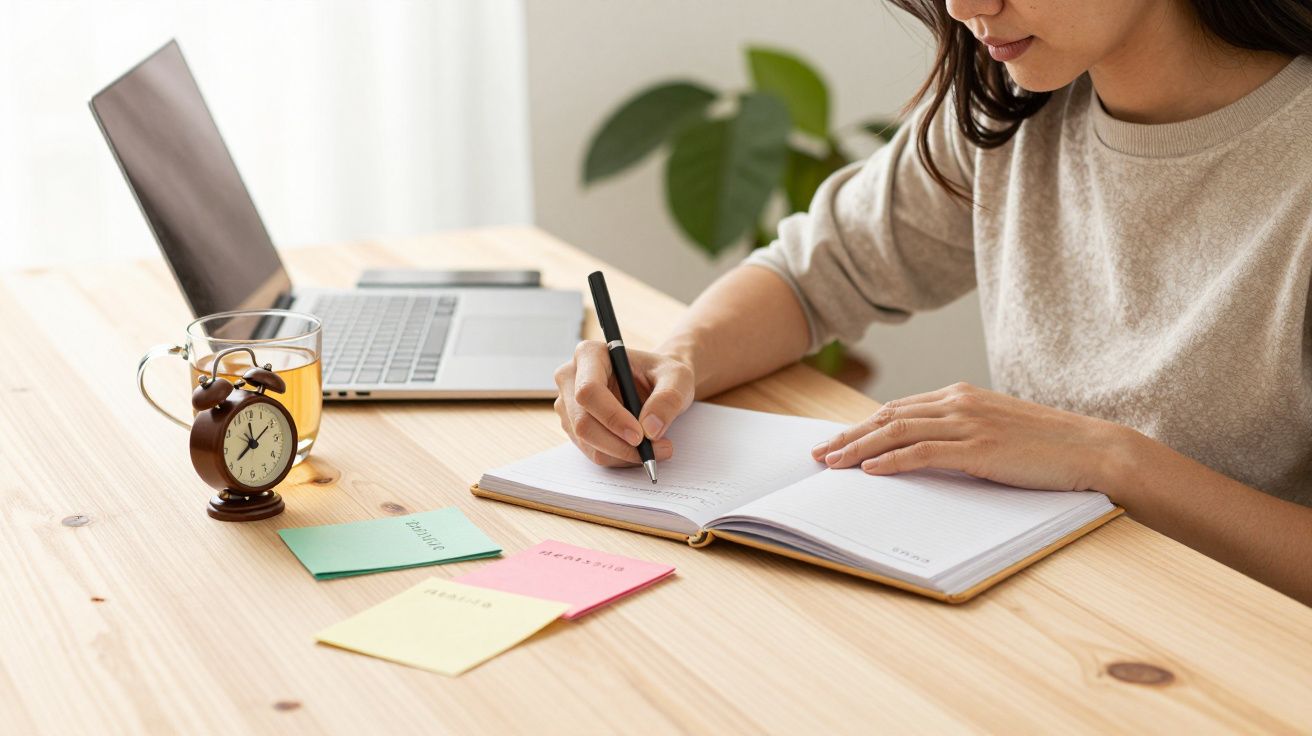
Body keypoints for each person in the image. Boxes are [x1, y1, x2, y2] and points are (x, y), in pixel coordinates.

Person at [554, 0, 1312, 604]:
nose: (962, 7)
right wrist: (675, 364)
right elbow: (814, 273)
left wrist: (1111, 460)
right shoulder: (1009, 108)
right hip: (1056, 607)